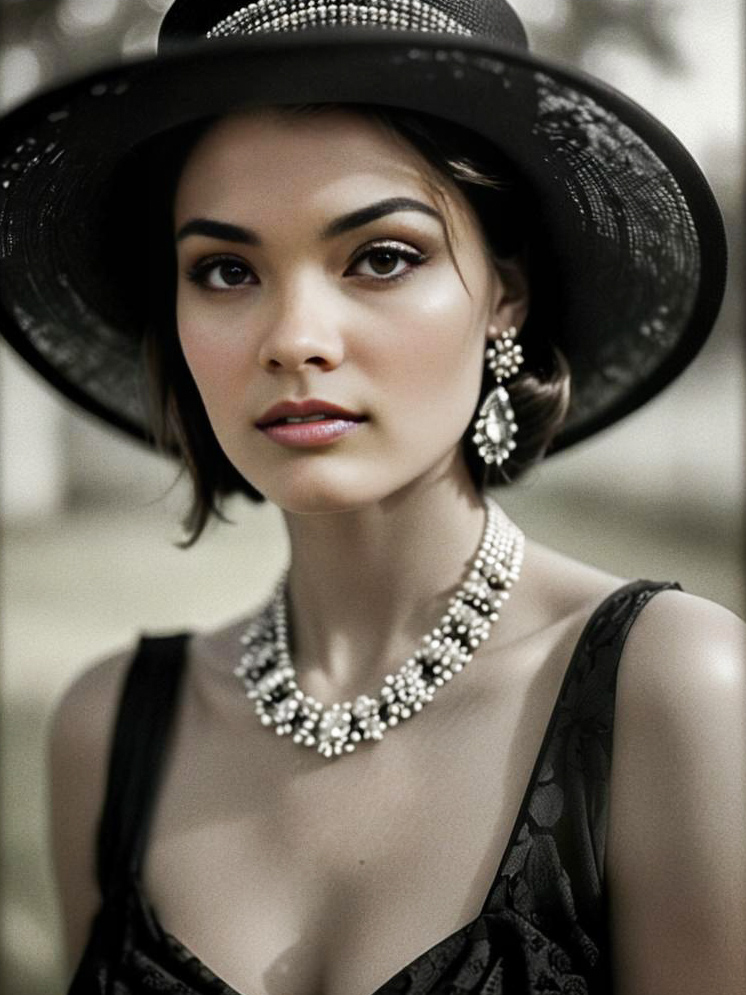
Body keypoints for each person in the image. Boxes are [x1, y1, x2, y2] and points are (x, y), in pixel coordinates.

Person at [0, 1, 743, 993]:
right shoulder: (104, 729)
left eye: (382, 256)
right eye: (225, 269)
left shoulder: (670, 688)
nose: (294, 336)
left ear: (502, 294)